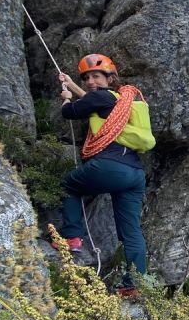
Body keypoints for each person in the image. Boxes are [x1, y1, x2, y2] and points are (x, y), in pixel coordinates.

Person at [54, 54, 148, 297]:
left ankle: (72, 238)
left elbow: (72, 112)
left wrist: (66, 99)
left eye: (96, 76)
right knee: (131, 232)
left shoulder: (100, 97)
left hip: (110, 166)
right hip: (135, 172)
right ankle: (133, 284)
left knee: (69, 186)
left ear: (110, 78)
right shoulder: (118, 101)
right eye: (86, 78)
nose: (90, 81)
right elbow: (91, 101)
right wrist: (72, 84)